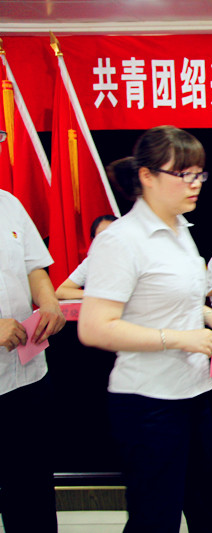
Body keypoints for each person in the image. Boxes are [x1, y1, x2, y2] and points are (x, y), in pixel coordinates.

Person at [78, 126, 212, 533]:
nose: (195, 184)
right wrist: (179, 338)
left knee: (206, 510)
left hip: (193, 392)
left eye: (199, 174)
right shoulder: (121, 240)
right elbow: (94, 328)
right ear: (147, 176)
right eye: (183, 174)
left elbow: (169, 301)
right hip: (147, 403)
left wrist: (209, 317)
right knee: (155, 518)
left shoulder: (181, 230)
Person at [0, 129, 66, 533]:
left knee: (32, 491)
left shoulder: (8, 203)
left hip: (27, 377)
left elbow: (34, 267)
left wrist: (50, 302)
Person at [55, 214, 117, 300]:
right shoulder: (91, 261)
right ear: (93, 239)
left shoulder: (133, 258)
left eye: (111, 234)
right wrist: (95, 294)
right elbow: (61, 292)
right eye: (101, 235)